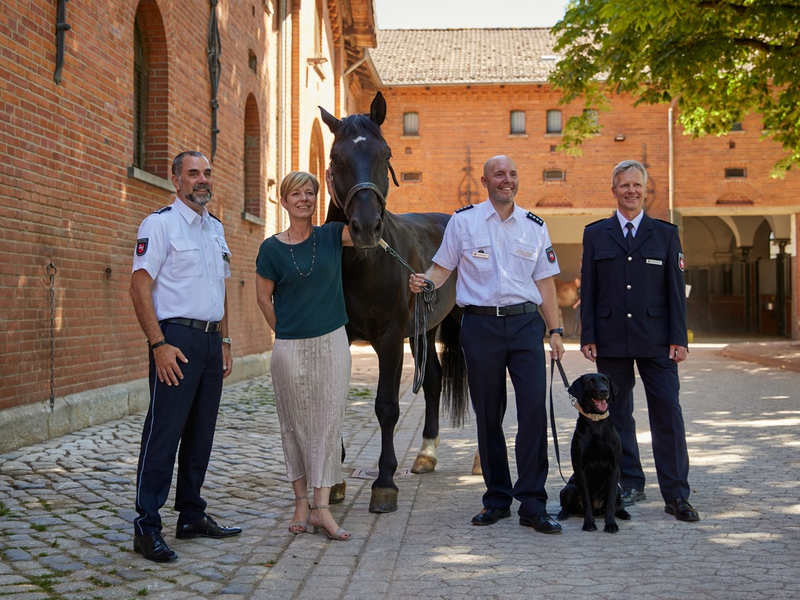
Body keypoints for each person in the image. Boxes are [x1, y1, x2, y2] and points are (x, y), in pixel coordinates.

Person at [409, 155, 565, 534]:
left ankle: (533, 502)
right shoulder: (464, 222)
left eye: (512, 174)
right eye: (499, 174)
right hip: (479, 327)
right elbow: (443, 268)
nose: (506, 180)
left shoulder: (534, 226)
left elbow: (545, 283)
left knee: (533, 413)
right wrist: (424, 281)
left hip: (526, 325)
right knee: (488, 416)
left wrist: (556, 330)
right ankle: (497, 499)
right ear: (485, 181)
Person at [129, 151, 242, 563]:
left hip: (211, 343)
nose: (202, 180)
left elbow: (220, 289)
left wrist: (225, 342)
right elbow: (140, 286)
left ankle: (192, 513)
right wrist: (158, 345)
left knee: (200, 435)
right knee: (164, 432)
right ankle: (147, 524)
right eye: (193, 173)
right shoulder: (159, 225)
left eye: (207, 173)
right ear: (176, 181)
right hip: (174, 340)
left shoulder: (215, 228)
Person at [579, 159, 699, 522]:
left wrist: (679, 336)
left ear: (646, 190)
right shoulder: (596, 233)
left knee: (668, 413)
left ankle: (676, 494)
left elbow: (676, 291)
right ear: (613, 190)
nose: (631, 191)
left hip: (658, 339)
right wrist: (588, 334)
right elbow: (590, 286)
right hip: (611, 337)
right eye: (624, 185)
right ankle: (629, 482)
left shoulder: (665, 234)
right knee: (617, 415)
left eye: (637, 185)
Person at [255, 171, 354, 541]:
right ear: (284, 201)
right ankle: (300, 501)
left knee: (328, 424)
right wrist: (286, 329)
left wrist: (337, 193)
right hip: (290, 347)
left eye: (310, 193)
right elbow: (263, 298)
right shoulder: (271, 249)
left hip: (332, 342)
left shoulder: (331, 235)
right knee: (293, 425)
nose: (304, 199)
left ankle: (321, 509)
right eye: (296, 193)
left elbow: (367, 232)